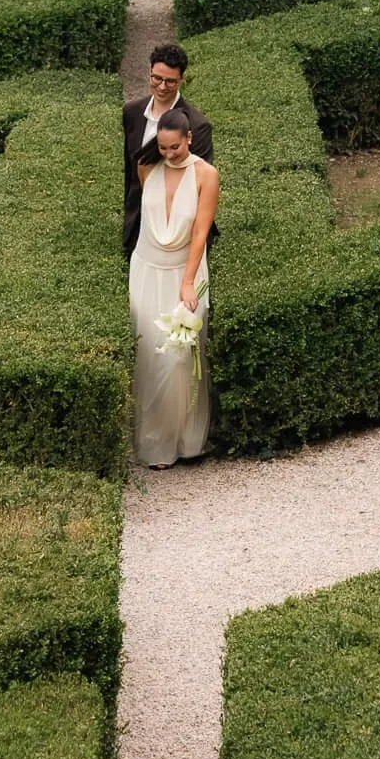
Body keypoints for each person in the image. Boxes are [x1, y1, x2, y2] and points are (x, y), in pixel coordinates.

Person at [129, 103, 217, 465]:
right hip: (146, 270)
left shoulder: (206, 174)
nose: (169, 154)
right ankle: (154, 444)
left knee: (179, 359)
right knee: (149, 354)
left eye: (175, 148)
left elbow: (200, 231)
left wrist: (186, 283)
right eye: (164, 148)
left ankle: (184, 439)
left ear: (189, 139)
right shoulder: (146, 166)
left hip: (185, 272)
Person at [122, 43, 213, 256]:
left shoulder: (197, 126)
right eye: (157, 78)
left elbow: (200, 186)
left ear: (181, 79)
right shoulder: (132, 112)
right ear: (150, 73)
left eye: (170, 81)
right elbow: (130, 172)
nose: (162, 87)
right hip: (140, 224)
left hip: (179, 229)